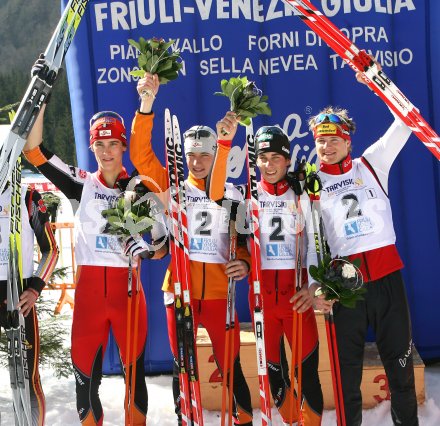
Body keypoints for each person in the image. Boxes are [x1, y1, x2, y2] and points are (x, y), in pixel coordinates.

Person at [23, 56, 167, 426]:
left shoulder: (139, 187)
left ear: (123, 147)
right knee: (85, 387)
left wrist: (148, 248)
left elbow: (163, 246)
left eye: (113, 144)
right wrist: (42, 92)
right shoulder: (80, 183)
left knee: (135, 387)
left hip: (128, 297)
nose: (106, 151)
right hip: (89, 299)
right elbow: (33, 150)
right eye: (99, 144)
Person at [129, 73, 254, 426]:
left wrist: (242, 264)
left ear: (217, 154)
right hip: (180, 291)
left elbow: (243, 244)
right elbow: (140, 153)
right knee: (182, 366)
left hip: (217, 292)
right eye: (191, 155)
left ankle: (242, 419)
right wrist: (147, 103)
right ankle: (187, 419)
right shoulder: (171, 187)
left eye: (204, 154)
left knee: (230, 365)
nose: (197, 161)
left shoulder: (231, 195)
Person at [307, 76, 419, 425]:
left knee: (400, 372)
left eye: (334, 139)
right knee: (347, 380)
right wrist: (315, 287)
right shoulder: (311, 184)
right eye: (321, 141)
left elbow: (407, 120)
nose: (327, 146)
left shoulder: (371, 164)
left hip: (387, 280)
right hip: (345, 288)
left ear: (348, 141)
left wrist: (378, 83)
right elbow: (312, 241)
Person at [208, 115, 329, 425]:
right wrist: (224, 143)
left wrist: (313, 285)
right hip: (262, 301)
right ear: (255, 160)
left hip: (296, 298)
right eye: (263, 157)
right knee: (276, 380)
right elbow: (214, 193)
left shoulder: (302, 193)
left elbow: (316, 243)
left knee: (308, 376)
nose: (269, 163)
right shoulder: (246, 196)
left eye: (277, 157)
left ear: (287, 160)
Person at [0, 182, 59, 425]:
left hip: (18, 296)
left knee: (27, 378)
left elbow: (51, 250)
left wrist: (35, 288)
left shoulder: (28, 196)